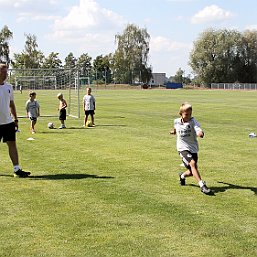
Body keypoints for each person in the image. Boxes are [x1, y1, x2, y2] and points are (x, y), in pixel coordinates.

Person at [170, 102, 211, 194]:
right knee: (192, 164)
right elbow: (176, 128)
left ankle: (182, 176)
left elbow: (198, 129)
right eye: (186, 114)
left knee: (192, 171)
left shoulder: (193, 121)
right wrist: (173, 132)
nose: (189, 116)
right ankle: (202, 185)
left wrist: (200, 133)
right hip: (182, 148)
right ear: (181, 113)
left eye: (190, 114)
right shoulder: (176, 121)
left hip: (193, 148)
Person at [0, 63, 30, 177]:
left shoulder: (9, 87)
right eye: (4, 71)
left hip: (8, 122)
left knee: (12, 144)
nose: (6, 74)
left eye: (6, 71)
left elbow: (11, 104)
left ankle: (17, 169)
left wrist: (16, 119)